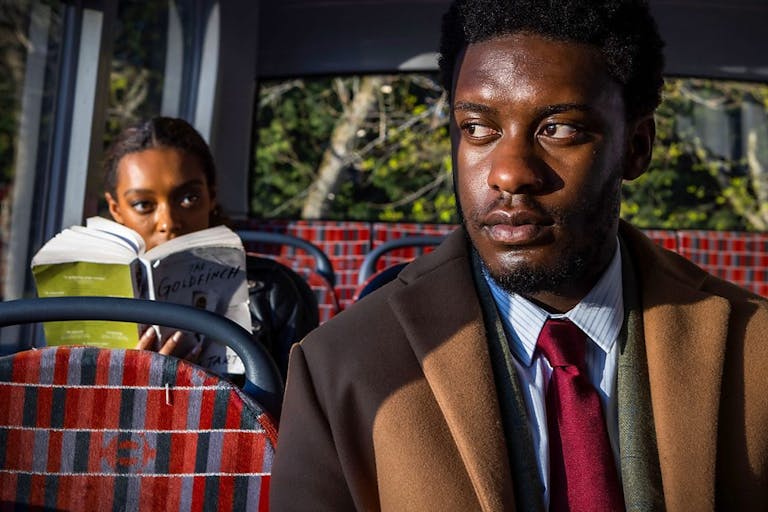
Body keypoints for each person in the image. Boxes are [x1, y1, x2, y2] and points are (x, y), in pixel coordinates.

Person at [270, 0, 768, 510]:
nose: (508, 173)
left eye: (559, 129)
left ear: (636, 147)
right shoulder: (338, 366)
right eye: (478, 129)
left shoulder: (755, 348)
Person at [103, 116, 318, 379]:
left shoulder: (273, 294)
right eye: (143, 205)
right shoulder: (93, 301)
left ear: (211, 196)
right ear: (116, 209)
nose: (168, 222)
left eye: (188, 198)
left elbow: (298, 413)